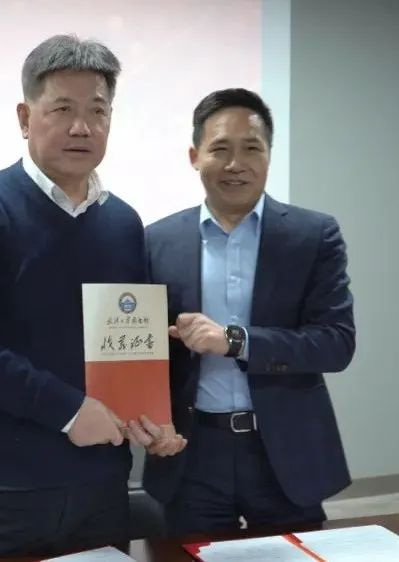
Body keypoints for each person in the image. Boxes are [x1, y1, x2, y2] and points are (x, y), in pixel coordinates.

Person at [0, 34, 175, 561]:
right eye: (63, 109)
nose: (82, 127)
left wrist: (151, 415)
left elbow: (127, 343)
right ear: (24, 117)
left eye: (97, 111)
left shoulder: (123, 223)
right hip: (0, 492)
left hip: (100, 486)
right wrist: (68, 410)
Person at [141, 88, 356, 536]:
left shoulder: (312, 236)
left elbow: (336, 344)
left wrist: (236, 341)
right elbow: (143, 351)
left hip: (285, 451)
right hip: (192, 453)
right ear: (195, 156)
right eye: (220, 149)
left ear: (269, 156)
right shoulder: (157, 240)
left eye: (251, 148)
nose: (235, 164)